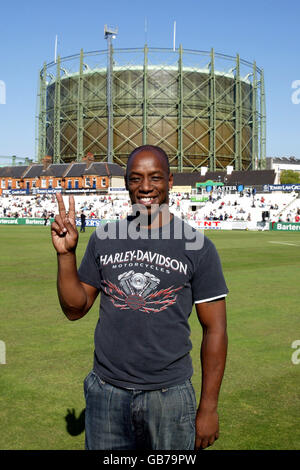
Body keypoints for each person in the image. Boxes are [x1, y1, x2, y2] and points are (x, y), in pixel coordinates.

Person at [51, 145, 228, 451]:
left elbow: (216, 330)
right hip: (106, 393)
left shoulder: (198, 246)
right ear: (127, 184)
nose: (145, 187)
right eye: (136, 179)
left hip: (169, 397)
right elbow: (75, 309)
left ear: (170, 181)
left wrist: (208, 407)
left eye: (155, 178)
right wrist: (66, 255)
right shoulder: (104, 238)